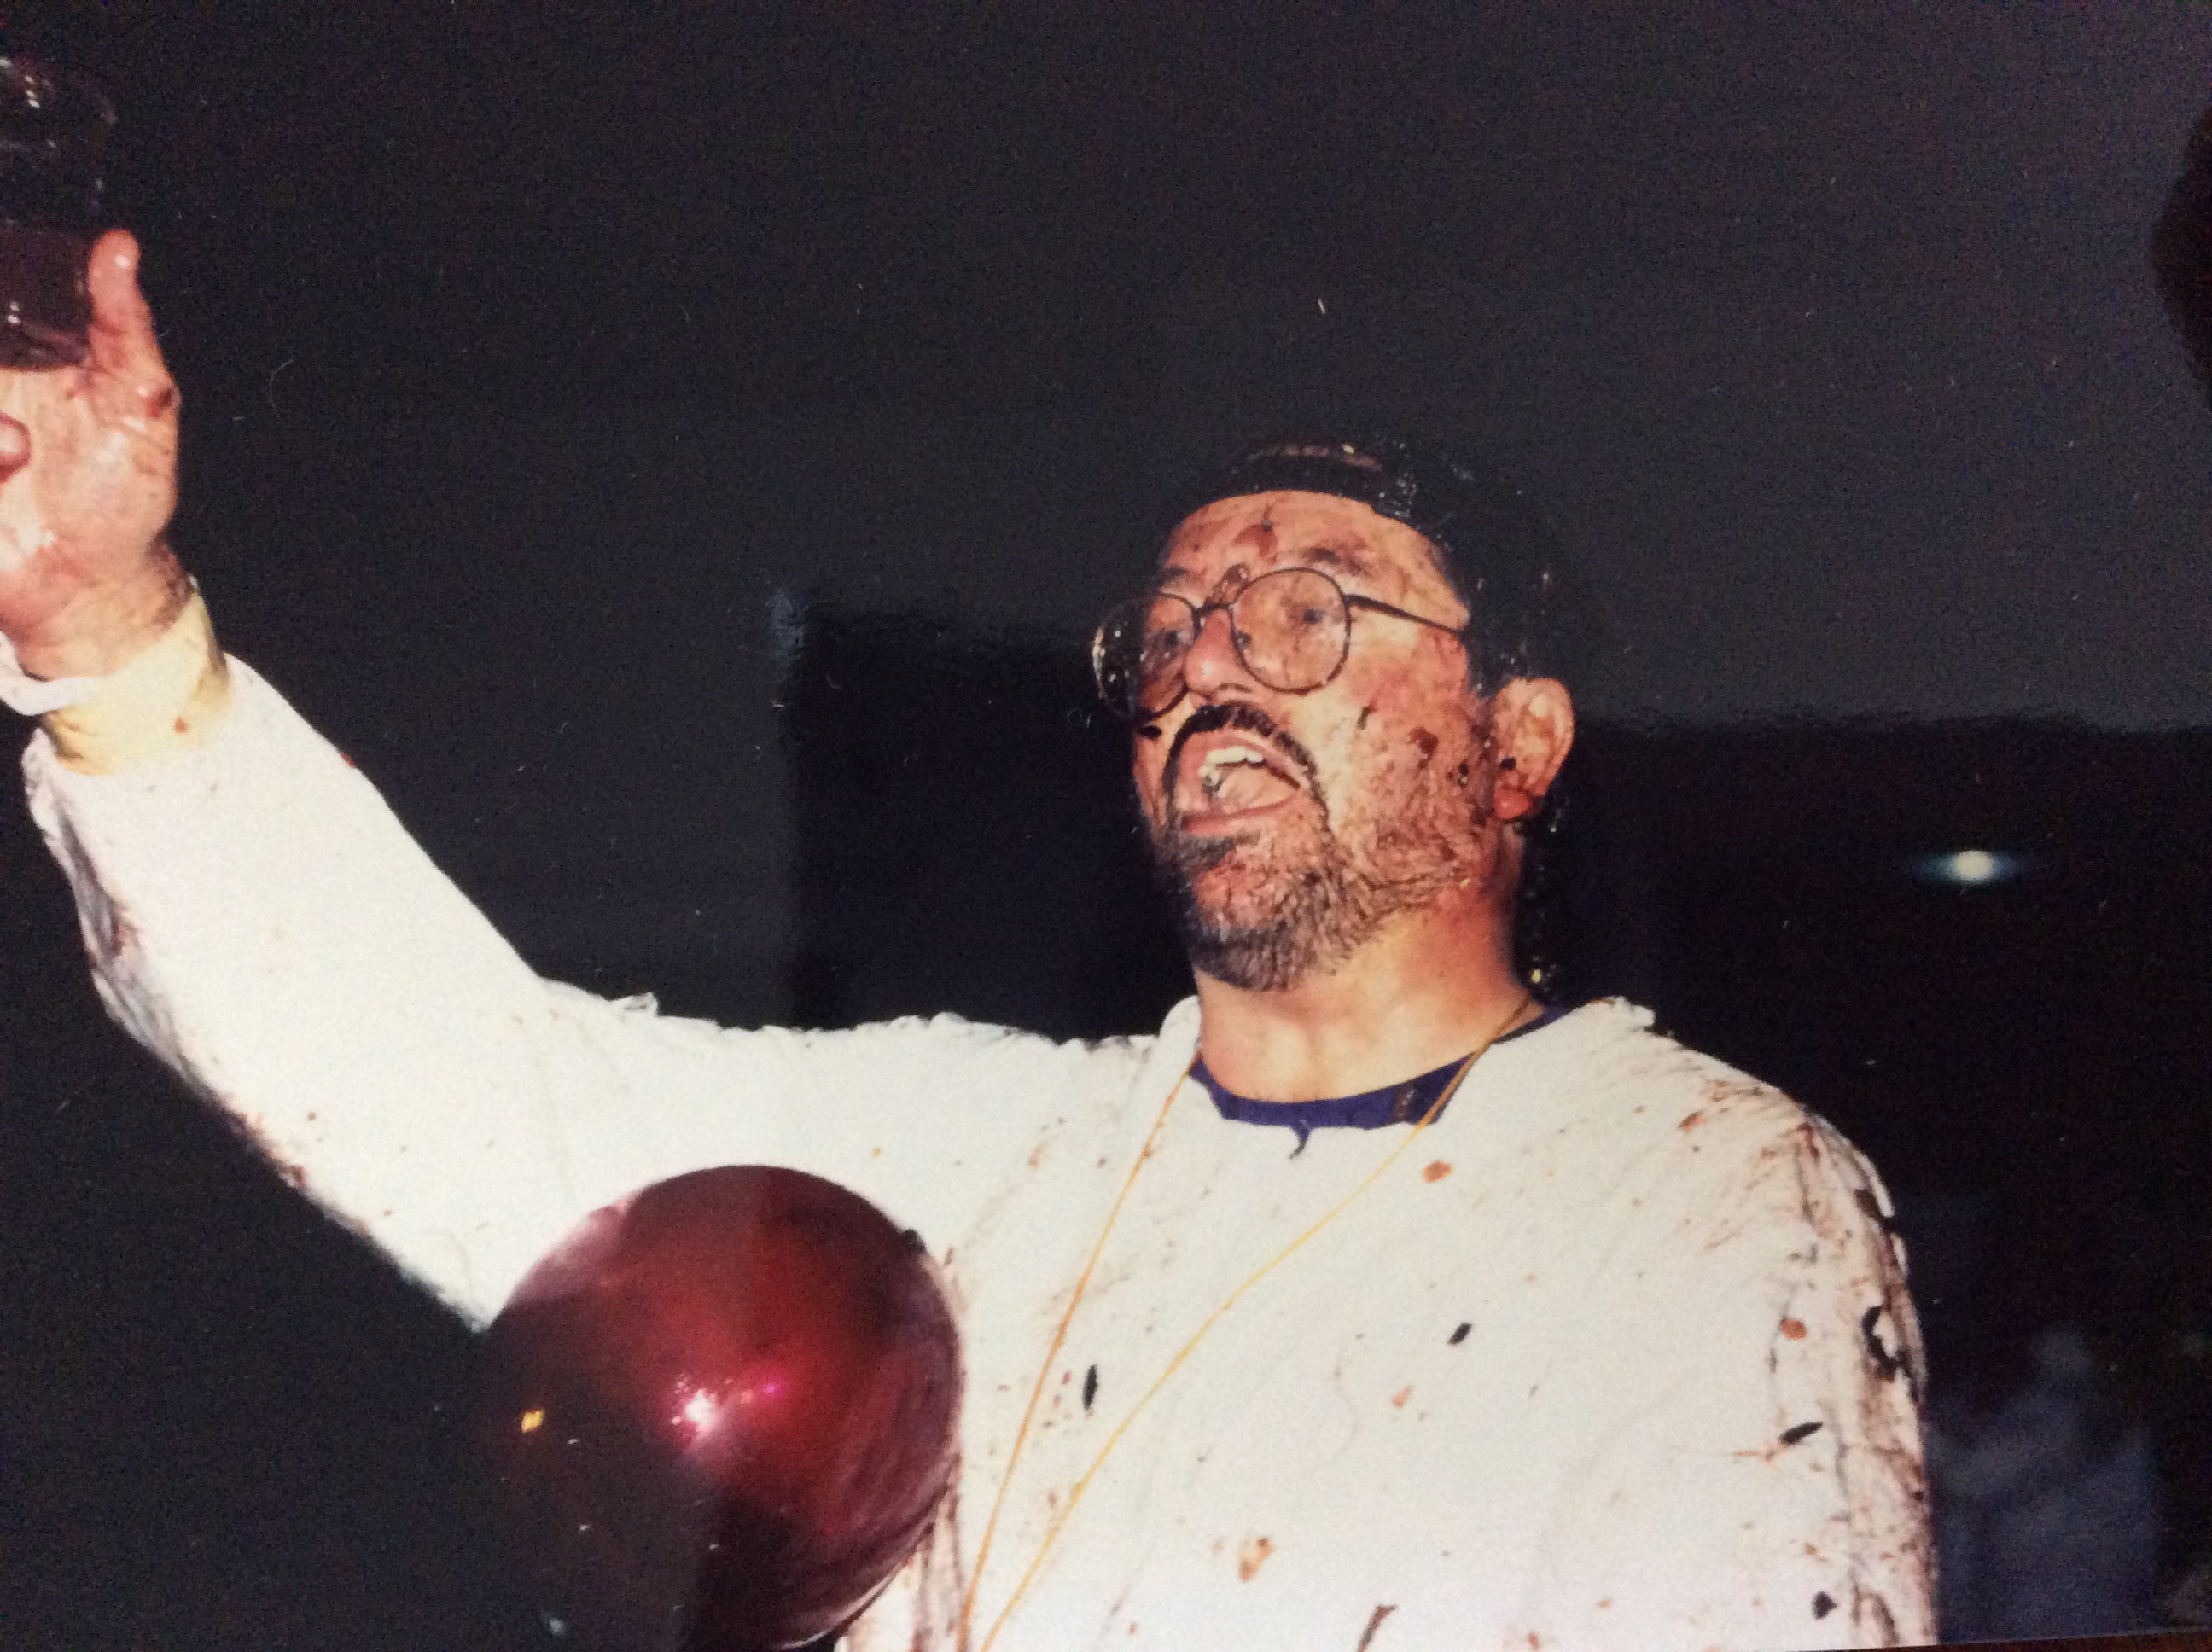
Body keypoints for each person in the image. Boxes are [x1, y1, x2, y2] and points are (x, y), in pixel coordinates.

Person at [0, 235, 1931, 1650]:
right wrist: (105, 626)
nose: (1210, 668)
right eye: (1173, 627)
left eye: (1312, 610)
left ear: (1517, 742)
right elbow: (457, 1083)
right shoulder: (984, 1147)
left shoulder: (1703, 1192)